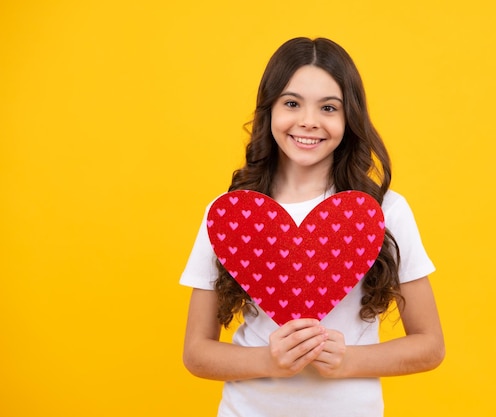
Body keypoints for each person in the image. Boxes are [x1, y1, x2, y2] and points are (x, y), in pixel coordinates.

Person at [180, 37, 444, 417]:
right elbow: (196, 352)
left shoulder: (385, 211)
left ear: (349, 117)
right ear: (268, 110)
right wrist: (268, 362)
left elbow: (430, 345)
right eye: (291, 103)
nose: (308, 121)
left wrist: (348, 361)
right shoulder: (229, 214)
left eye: (328, 107)